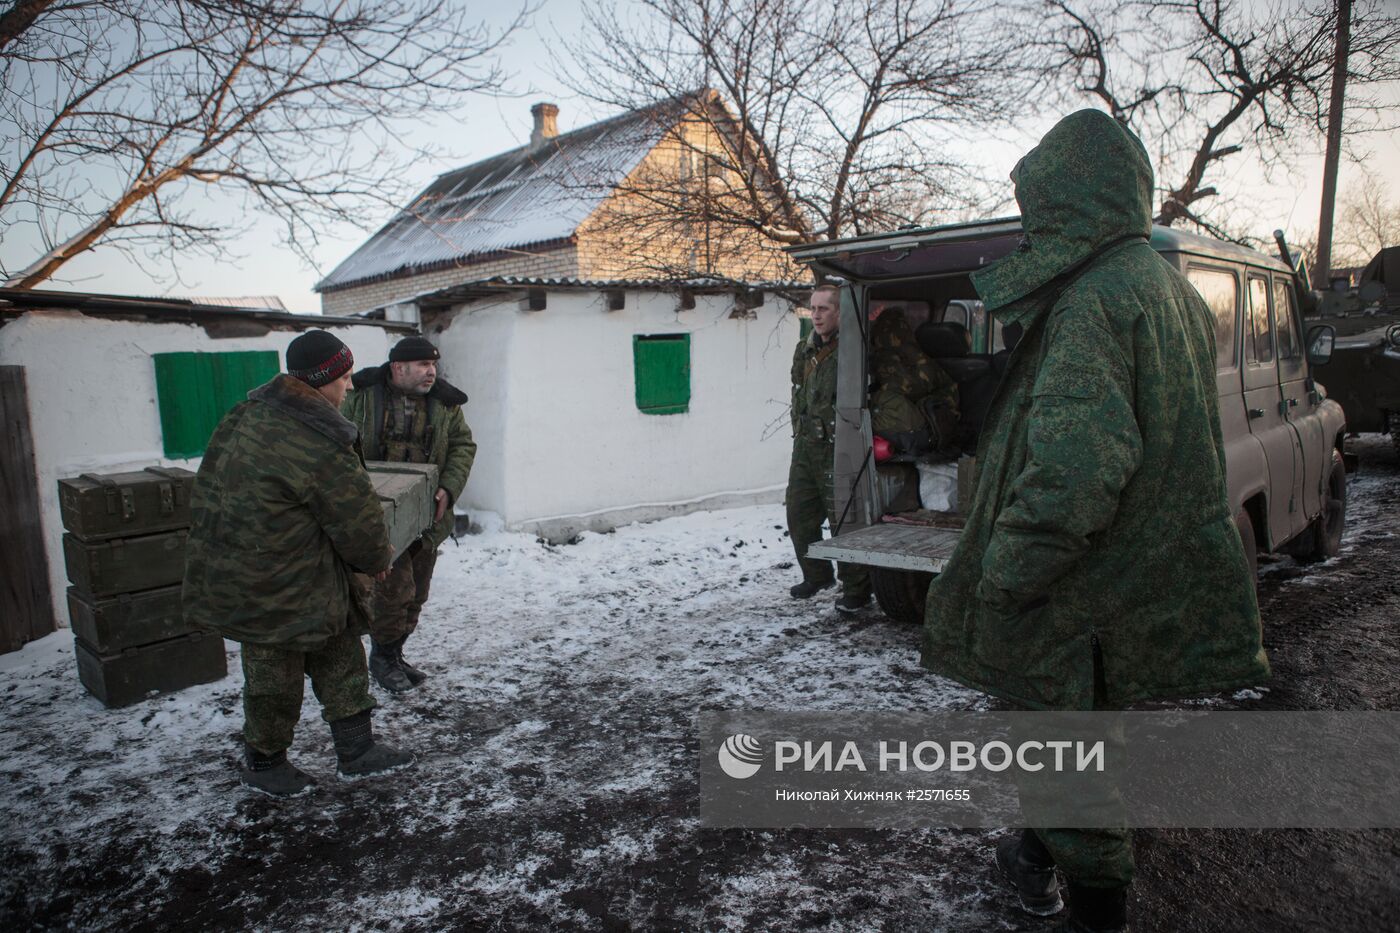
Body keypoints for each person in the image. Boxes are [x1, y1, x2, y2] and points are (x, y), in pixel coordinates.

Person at [921, 110, 1268, 932]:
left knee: (1058, 752)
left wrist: (1007, 573)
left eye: (1039, 206)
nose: (1032, 224)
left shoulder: (1092, 303)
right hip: (1125, 582)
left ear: (1070, 202)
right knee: (1077, 730)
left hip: (1075, 590)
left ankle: (1094, 907)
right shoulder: (1162, 287)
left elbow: (1075, 472)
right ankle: (1033, 854)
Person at [184, 330, 413, 797]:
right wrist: (375, 559)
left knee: (340, 651)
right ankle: (266, 763)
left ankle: (357, 750)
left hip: (279, 571)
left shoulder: (245, 415)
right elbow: (355, 512)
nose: (349, 387)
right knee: (274, 677)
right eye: (344, 377)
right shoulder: (316, 436)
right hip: (275, 583)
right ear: (320, 381)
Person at [342, 336, 476, 693]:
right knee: (393, 592)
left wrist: (448, 486)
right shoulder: (359, 395)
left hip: (426, 516)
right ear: (398, 368)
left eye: (433, 365)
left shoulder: (446, 404)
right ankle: (382, 658)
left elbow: (463, 445)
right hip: (379, 514)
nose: (431, 372)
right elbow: (335, 442)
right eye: (422, 365)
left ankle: (394, 653)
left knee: (416, 594)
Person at [786, 284, 871, 613]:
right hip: (806, 446)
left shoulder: (853, 350)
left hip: (839, 446)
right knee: (799, 514)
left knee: (844, 520)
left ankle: (857, 589)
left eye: (824, 309)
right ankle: (817, 575)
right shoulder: (803, 349)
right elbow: (800, 391)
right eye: (813, 308)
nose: (816, 315)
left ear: (839, 312)